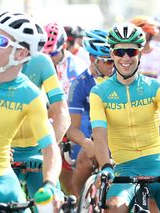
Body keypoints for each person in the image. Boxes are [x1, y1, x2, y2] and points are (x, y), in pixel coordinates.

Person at [89, 23, 160, 212]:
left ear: (141, 53)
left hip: (159, 166)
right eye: (120, 52)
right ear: (112, 54)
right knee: (113, 208)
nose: (126, 58)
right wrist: (105, 165)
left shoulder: (155, 87)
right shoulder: (99, 93)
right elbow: (99, 134)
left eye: (132, 52)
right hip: (124, 169)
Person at [0, 11, 62, 210]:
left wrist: (50, 185)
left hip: (1, 181)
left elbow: (50, 147)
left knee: (47, 208)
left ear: (21, 53)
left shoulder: (30, 95)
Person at [66, 29, 114, 197]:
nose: (113, 65)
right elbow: (71, 128)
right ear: (93, 59)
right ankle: (80, 202)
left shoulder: (121, 78)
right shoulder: (80, 84)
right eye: (108, 61)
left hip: (119, 135)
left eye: (114, 60)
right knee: (84, 161)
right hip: (92, 134)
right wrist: (87, 144)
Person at [42, 21, 88, 194]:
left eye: (52, 53)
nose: (48, 58)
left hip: (70, 120)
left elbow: (70, 107)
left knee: (69, 181)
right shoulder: (39, 63)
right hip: (46, 119)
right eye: (44, 53)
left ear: (63, 47)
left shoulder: (76, 67)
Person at [131, 15, 160, 84]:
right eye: (136, 33)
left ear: (150, 33)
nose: (140, 36)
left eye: (143, 33)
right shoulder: (126, 54)